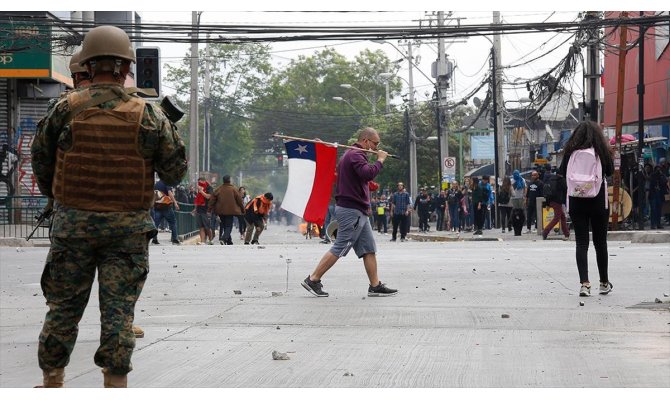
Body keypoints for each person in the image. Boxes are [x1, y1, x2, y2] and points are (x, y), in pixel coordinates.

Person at [30, 26, 187, 388]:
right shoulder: (149, 115)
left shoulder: (63, 109)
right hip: (127, 231)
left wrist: (58, 198)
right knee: (119, 313)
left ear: (87, 65)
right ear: (124, 68)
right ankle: (115, 384)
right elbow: (175, 173)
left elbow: (40, 159)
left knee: (63, 309)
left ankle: (52, 381)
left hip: (73, 227)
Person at [301, 127, 396, 297]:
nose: (376, 147)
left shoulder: (354, 155)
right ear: (366, 141)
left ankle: (375, 286)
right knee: (341, 245)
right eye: (375, 143)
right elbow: (368, 174)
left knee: (368, 248)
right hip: (351, 210)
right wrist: (380, 160)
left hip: (359, 209)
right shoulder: (355, 155)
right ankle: (313, 279)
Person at [559, 121, 614, 297]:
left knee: (581, 243)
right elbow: (611, 171)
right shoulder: (601, 151)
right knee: (600, 242)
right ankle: (604, 283)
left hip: (576, 201)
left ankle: (585, 284)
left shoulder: (570, 152)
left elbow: (562, 173)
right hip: (598, 201)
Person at [209, 175, 244, 245]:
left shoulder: (219, 189)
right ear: (229, 180)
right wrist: (242, 209)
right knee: (228, 226)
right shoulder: (233, 189)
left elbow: (212, 200)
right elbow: (240, 200)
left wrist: (209, 209)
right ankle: (223, 238)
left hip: (220, 211)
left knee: (225, 225)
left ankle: (229, 241)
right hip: (230, 211)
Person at [541, 170, 569, 240]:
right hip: (557, 201)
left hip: (551, 201)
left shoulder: (550, 179)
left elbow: (547, 192)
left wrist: (547, 203)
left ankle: (566, 233)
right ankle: (545, 231)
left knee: (562, 217)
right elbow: (566, 191)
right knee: (556, 218)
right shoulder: (561, 180)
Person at [151, 179, 181, 245]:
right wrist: (175, 203)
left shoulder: (157, 184)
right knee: (173, 222)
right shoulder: (167, 183)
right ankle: (175, 239)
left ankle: (154, 239)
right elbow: (169, 193)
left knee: (156, 224)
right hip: (166, 207)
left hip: (158, 206)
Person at [194, 176, 214, 245]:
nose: (199, 185)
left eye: (200, 183)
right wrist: (195, 209)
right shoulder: (199, 189)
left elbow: (209, 196)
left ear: (204, 181)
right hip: (199, 209)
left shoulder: (209, 188)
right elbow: (197, 200)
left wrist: (201, 191)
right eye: (198, 183)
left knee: (207, 226)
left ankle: (211, 239)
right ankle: (202, 241)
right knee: (201, 227)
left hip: (206, 210)